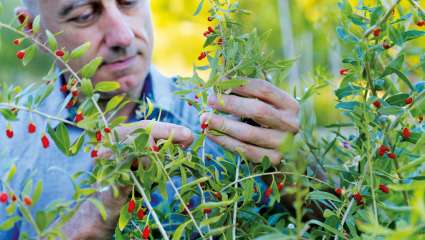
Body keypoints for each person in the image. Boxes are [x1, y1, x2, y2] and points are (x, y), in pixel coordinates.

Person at [0, 0, 300, 239]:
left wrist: (292, 169)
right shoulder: (8, 141)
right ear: (32, 30)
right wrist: (98, 213)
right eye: (84, 15)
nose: (123, 35)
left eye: (129, 2)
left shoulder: (223, 114)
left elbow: (323, 219)